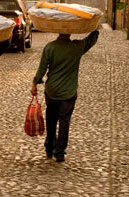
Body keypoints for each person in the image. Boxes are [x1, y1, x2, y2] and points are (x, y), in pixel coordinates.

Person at [31, 30, 99, 162]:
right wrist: (94, 28)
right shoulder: (76, 47)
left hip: (52, 90)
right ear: (70, 33)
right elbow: (91, 40)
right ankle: (60, 152)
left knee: (51, 119)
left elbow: (42, 69)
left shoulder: (50, 47)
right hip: (69, 92)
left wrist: (35, 84)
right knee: (64, 121)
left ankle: (50, 147)